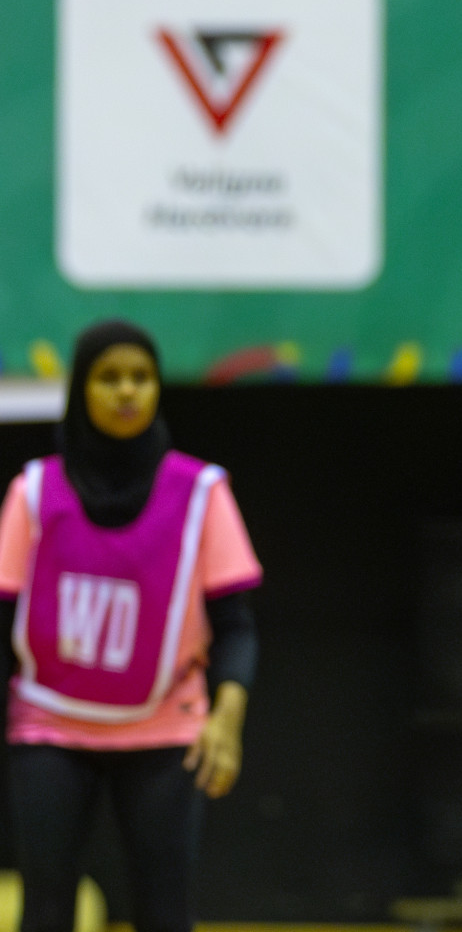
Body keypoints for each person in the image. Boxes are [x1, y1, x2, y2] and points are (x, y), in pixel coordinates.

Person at [0, 320, 261, 932]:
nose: (127, 392)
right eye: (109, 378)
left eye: (140, 378)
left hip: (165, 728)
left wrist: (226, 718)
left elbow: (237, 626)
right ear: (81, 391)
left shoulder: (201, 491)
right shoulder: (34, 492)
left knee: (164, 911)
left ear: (157, 389)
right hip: (49, 726)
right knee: (45, 907)